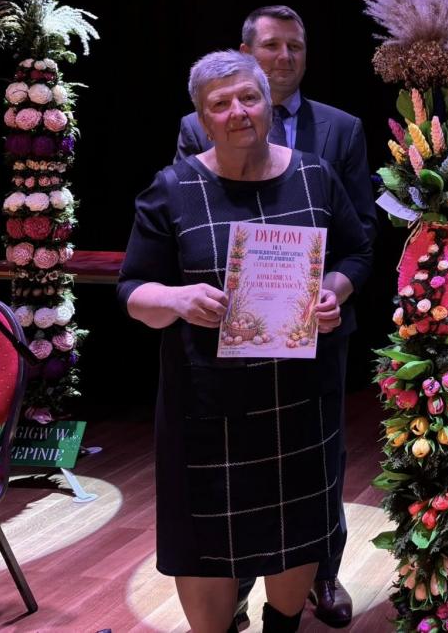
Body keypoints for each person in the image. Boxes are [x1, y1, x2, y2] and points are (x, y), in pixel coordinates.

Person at [119, 51, 371, 633]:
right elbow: (132, 290)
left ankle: (282, 624)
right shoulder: (172, 189)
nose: (238, 112)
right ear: (201, 119)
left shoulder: (314, 175)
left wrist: (332, 290)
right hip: (206, 414)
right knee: (206, 549)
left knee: (297, 539)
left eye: (249, 98)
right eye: (220, 103)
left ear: (269, 106)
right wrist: (178, 299)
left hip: (298, 405)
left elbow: (356, 253)